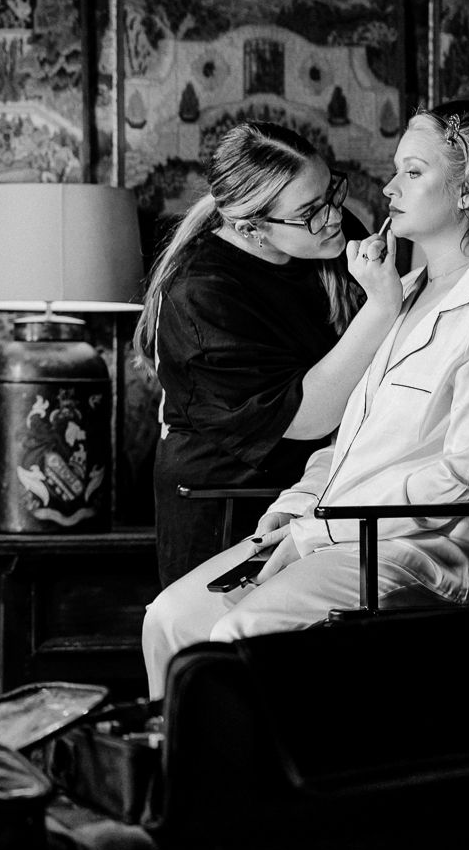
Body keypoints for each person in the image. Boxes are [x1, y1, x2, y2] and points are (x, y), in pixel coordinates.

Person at [142, 101, 469, 698]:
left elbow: (468, 475)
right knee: (173, 618)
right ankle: (192, 783)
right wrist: (295, 507)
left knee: (248, 629)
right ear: (250, 227)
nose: (387, 188)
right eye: (396, 170)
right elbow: (348, 437)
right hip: (328, 520)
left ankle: (280, 787)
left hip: (440, 542)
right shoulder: (401, 290)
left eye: (412, 173)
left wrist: (319, 528)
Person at [138, 122, 403, 585]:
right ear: (249, 227)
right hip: (227, 503)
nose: (335, 218)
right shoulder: (200, 295)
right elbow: (306, 417)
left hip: (318, 490)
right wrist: (381, 308)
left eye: (331, 193)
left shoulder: (326, 233)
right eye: (310, 211)